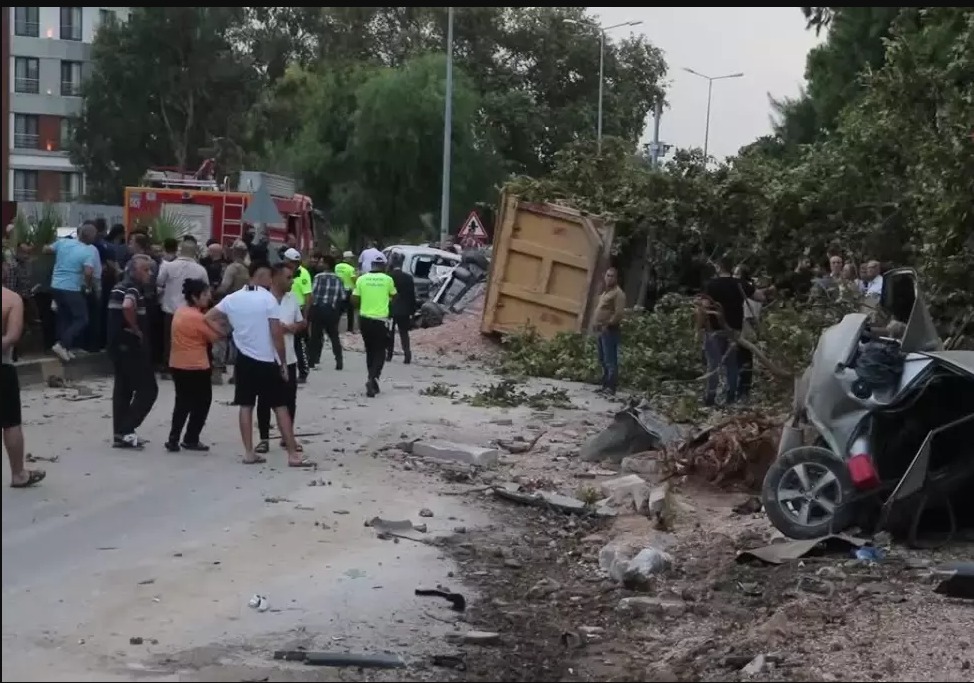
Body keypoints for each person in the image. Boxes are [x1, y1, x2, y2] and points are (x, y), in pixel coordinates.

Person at [205, 263, 313, 467]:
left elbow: (207, 317)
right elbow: (276, 334)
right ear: (264, 277)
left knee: (246, 405)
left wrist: (225, 334)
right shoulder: (268, 300)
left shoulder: (232, 298)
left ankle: (249, 452)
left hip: (244, 360)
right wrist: (282, 362)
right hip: (267, 359)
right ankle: (292, 454)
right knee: (280, 406)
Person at [107, 254, 159, 449]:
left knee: (123, 388)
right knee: (148, 389)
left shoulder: (120, 285)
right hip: (129, 345)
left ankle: (121, 434)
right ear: (134, 270)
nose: (150, 273)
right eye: (145, 269)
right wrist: (136, 328)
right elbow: (128, 306)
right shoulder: (132, 288)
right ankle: (126, 428)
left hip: (117, 344)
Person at [698, 257, 765, 406]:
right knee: (732, 365)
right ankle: (730, 398)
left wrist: (700, 327)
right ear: (730, 268)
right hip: (734, 331)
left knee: (713, 365)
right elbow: (760, 297)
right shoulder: (739, 284)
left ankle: (710, 398)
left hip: (714, 330)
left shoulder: (711, 285)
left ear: (718, 267)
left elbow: (704, 306)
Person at [255, 264, 305, 456]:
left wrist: (292, 327)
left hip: (289, 357)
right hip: (267, 357)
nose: (292, 281)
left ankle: (287, 436)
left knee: (289, 398)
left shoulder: (292, 299)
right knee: (264, 399)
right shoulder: (262, 300)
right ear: (275, 278)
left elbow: (302, 322)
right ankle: (264, 439)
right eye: (289, 277)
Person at [166, 278, 221, 452]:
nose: (208, 297)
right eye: (204, 294)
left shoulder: (179, 312)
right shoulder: (198, 318)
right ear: (195, 297)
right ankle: (191, 437)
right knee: (202, 402)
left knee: (181, 402)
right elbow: (215, 337)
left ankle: (173, 438)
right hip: (196, 365)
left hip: (177, 362)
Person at [2, 279, 45, 487]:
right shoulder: (11, 299)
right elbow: (12, 336)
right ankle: (18, 474)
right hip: (2, 367)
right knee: (10, 423)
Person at [45, 222, 97, 361]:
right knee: (82, 318)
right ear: (91, 237)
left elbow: (46, 249)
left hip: (56, 285)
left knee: (64, 316)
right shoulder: (88, 251)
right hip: (71, 288)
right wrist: (88, 286)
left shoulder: (63, 243)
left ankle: (65, 347)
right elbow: (88, 272)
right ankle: (62, 344)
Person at [157, 240, 209, 378]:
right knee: (188, 341)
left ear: (180, 250)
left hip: (170, 310)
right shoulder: (200, 269)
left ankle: (167, 368)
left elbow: (159, 282)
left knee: (169, 339)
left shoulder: (168, 266)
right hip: (190, 312)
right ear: (195, 252)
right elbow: (206, 288)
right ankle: (183, 367)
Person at [351, 254, 396, 398]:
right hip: (381, 320)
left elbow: (354, 299)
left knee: (370, 349)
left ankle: (371, 378)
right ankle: (373, 378)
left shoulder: (361, 279)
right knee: (380, 351)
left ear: (371, 266)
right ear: (383, 266)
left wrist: (362, 306)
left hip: (365, 319)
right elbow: (394, 296)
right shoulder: (388, 279)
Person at [309, 255, 346, 370]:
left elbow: (312, 293)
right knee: (334, 336)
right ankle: (339, 361)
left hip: (318, 309)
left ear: (326, 264)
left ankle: (312, 360)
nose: (319, 264)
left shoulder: (318, 277)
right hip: (332, 310)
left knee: (315, 336)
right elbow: (343, 296)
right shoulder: (339, 279)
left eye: (321, 262)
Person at [592, 267, 626, 395]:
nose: (609, 278)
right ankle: (604, 385)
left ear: (616, 278)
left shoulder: (618, 294)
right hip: (601, 330)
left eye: (612, 276)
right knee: (602, 358)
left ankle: (611, 387)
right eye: (607, 275)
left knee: (610, 359)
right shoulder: (606, 293)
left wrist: (608, 324)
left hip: (610, 330)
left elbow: (619, 313)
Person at [733, 265, 762, 401]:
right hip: (749, 325)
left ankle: (741, 391)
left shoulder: (743, 287)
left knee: (741, 359)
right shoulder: (753, 288)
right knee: (745, 359)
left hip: (744, 325)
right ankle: (743, 390)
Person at [283, 248, 312, 381]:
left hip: (299, 310)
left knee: (299, 343)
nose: (294, 265)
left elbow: (308, 296)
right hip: (284, 310)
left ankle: (303, 371)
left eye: (296, 262)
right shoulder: (280, 273)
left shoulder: (303, 274)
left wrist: (305, 317)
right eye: (291, 262)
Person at [386, 252, 416, 364]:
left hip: (391, 309)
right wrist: (412, 310)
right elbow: (412, 295)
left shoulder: (388, 277)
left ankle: (389, 354)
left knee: (390, 332)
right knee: (404, 333)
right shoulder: (408, 278)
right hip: (404, 310)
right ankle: (407, 354)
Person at [336, 251, 357, 332]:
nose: (351, 259)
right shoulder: (350, 268)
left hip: (338, 291)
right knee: (350, 311)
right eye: (351, 258)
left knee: (338, 310)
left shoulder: (337, 266)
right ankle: (350, 329)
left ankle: (335, 328)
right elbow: (354, 279)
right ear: (347, 258)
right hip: (348, 291)